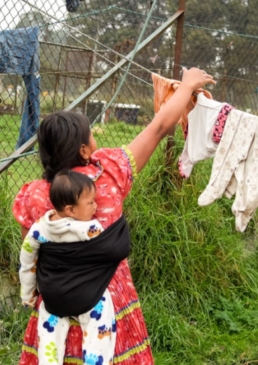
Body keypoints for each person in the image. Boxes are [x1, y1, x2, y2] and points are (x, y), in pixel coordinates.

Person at [13, 67, 215, 365]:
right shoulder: (108, 173)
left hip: (55, 310)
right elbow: (159, 128)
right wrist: (187, 86)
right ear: (84, 150)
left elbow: (31, 252)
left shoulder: (31, 196)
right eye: (91, 135)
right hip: (108, 302)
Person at [20, 169, 125, 365]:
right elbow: (108, 250)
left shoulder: (39, 229)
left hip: (54, 298)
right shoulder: (91, 229)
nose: (95, 206)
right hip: (86, 297)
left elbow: (27, 262)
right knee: (101, 314)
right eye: (90, 202)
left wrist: (28, 296)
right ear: (70, 210)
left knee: (49, 336)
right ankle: (97, 359)